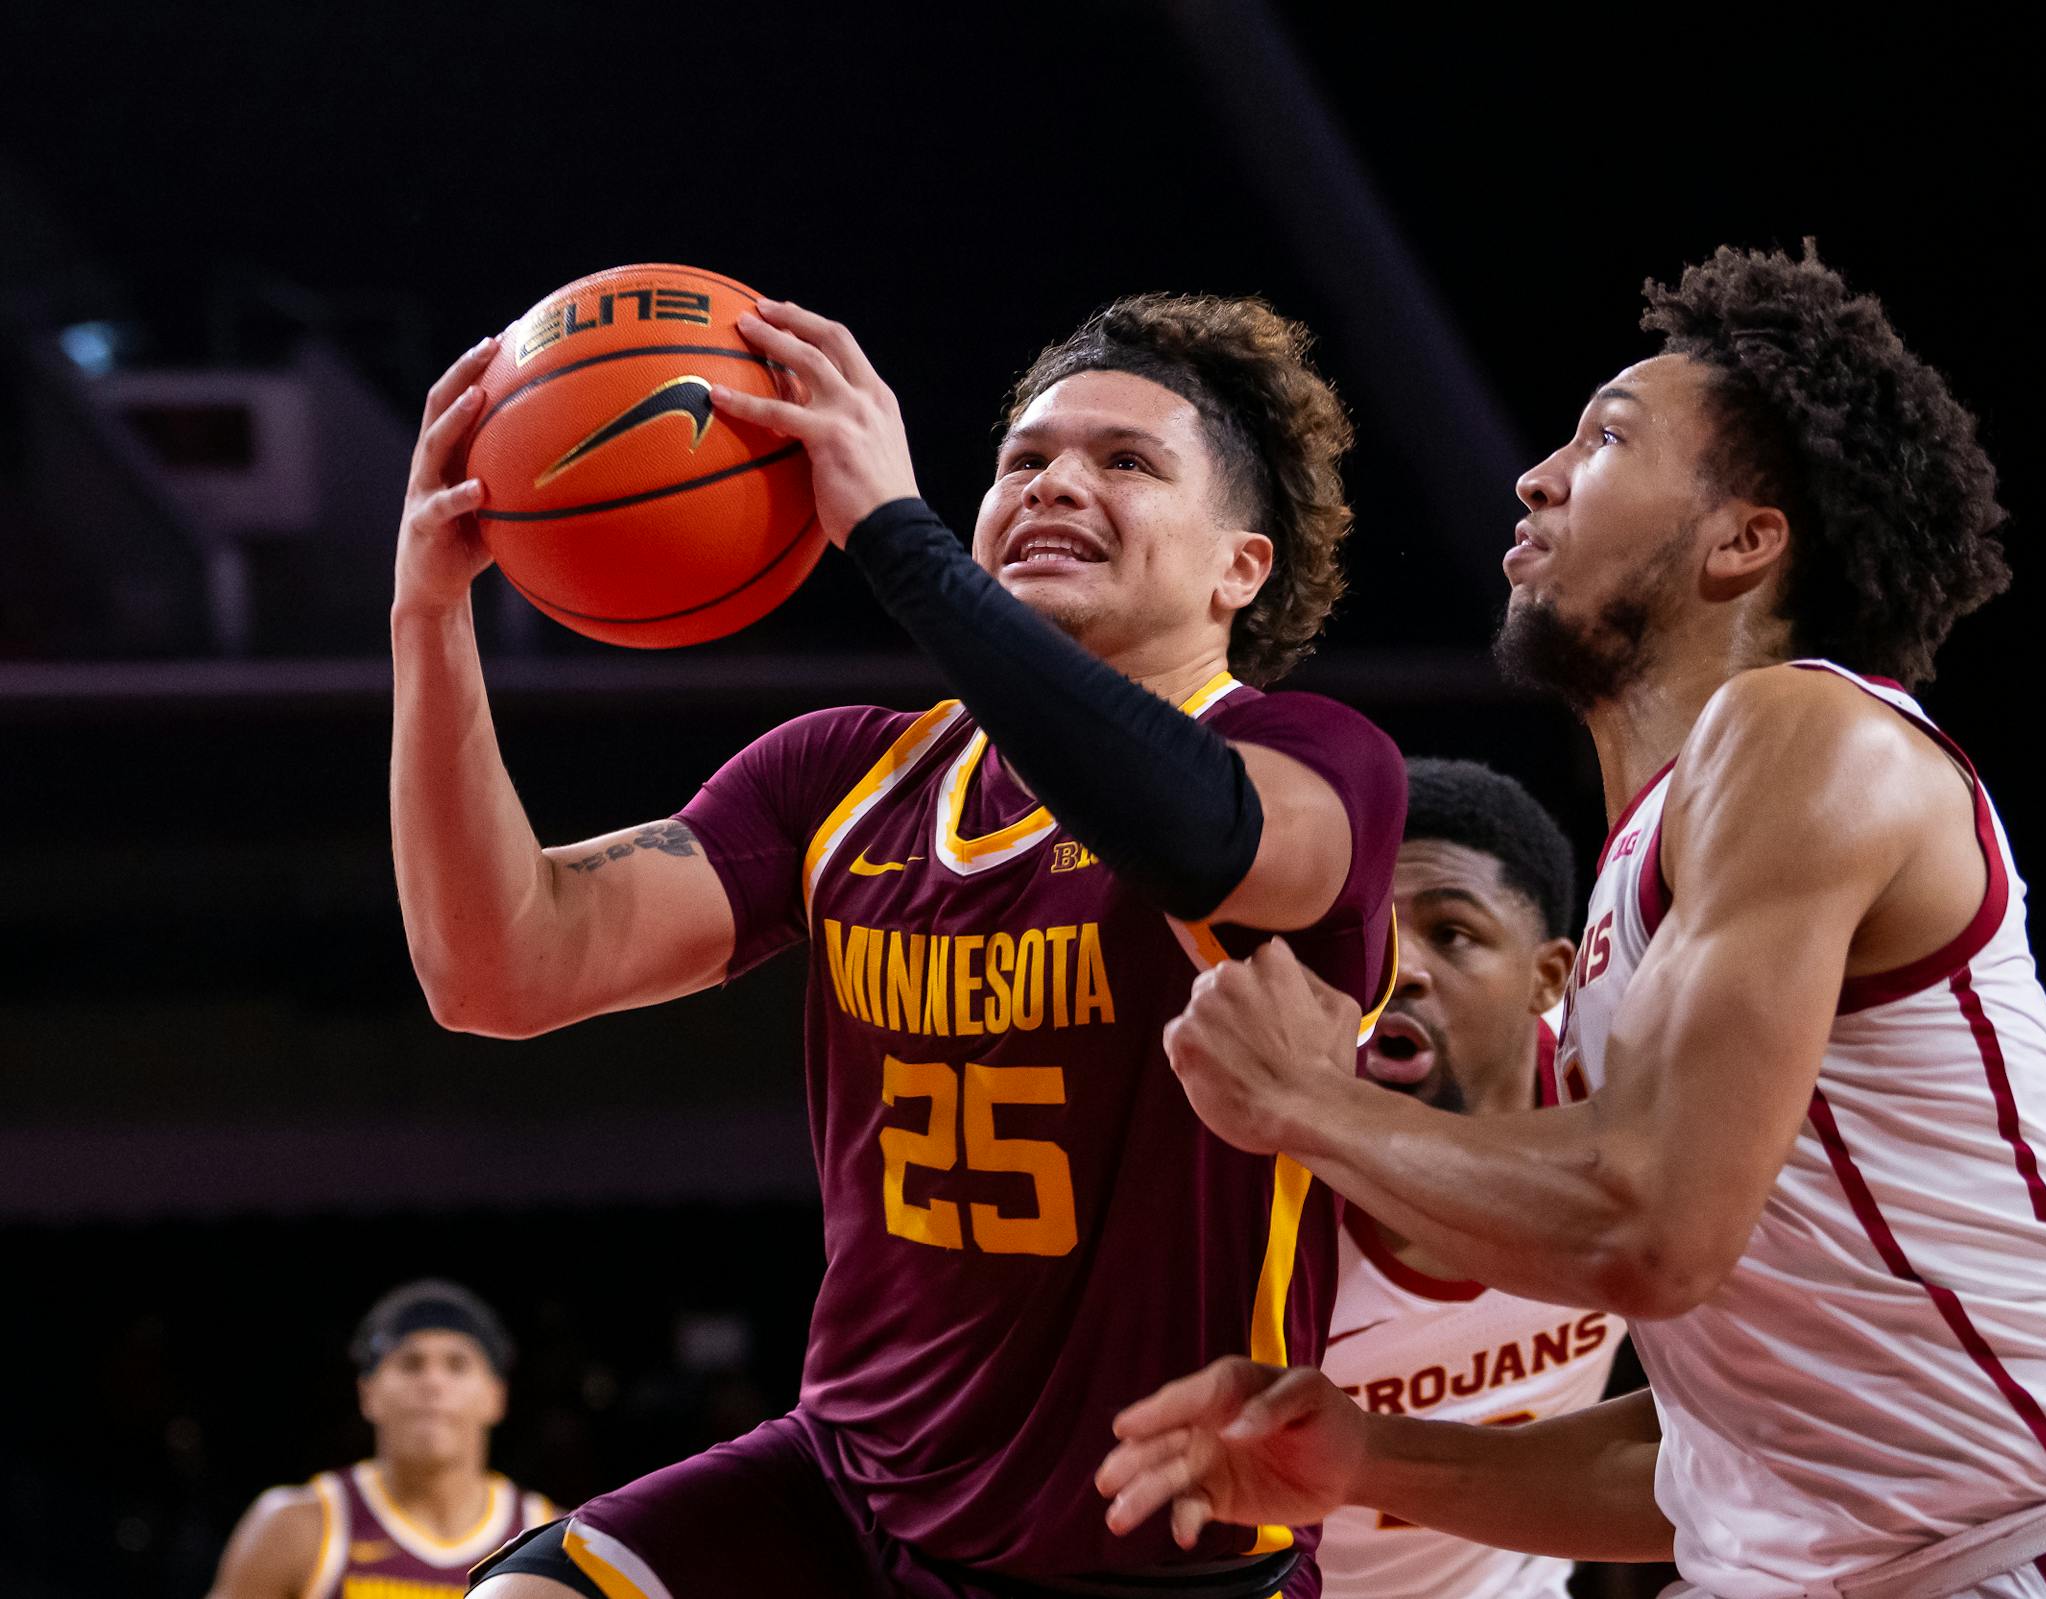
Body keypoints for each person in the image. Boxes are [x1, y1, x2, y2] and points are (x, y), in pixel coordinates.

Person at [1098, 244, 2046, 1599]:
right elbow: (1722, 1450)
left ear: (1745, 536)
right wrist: (1366, 1458)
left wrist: (1307, 1098)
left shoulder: (1805, 725)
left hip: (2032, 1560)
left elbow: (1650, 1231)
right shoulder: (1650, 875)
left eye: (1608, 437)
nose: (1537, 475)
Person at [391, 291, 1403, 1599]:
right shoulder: (843, 776)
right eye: (1025, 461)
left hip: (1149, 1542)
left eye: (1126, 461)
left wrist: (894, 536)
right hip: (844, 1481)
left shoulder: (1317, 762)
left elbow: (1194, 835)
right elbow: (501, 968)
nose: (1054, 485)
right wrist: (428, 616)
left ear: (1239, 568)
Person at [1325, 757, 1626, 1599]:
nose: (1399, 970)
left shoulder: (1627, 1098)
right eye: (1371, 934)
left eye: (1451, 932)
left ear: (1549, 977)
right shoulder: (1252, 1181)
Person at [206, 1280, 557, 1599]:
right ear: (367, 1393)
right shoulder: (297, 1527)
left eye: (457, 1364)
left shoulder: (550, 1539)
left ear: (496, 1396)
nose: (433, 1382)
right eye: (411, 1363)